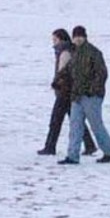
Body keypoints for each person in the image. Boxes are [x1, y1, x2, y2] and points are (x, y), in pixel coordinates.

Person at [59, 26, 110, 165]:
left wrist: (92, 90)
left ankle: (109, 152)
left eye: (80, 36)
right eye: (75, 36)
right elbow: (68, 71)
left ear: (85, 37)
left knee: (96, 125)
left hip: (91, 97)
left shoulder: (94, 52)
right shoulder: (75, 54)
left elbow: (102, 74)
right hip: (76, 96)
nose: (78, 39)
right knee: (75, 126)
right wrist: (58, 80)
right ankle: (72, 156)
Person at [38, 29, 97, 157]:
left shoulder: (64, 52)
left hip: (64, 92)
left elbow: (62, 73)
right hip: (70, 91)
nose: (53, 43)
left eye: (55, 40)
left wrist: (56, 84)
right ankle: (89, 145)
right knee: (76, 120)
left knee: (56, 120)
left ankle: (50, 147)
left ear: (61, 40)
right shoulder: (69, 50)